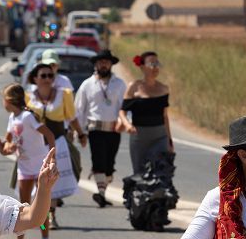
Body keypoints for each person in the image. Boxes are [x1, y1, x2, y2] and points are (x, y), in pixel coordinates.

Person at [25, 63, 84, 229]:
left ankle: (51, 216)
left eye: (50, 76)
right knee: (30, 182)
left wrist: (81, 133)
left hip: (57, 143)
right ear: (35, 78)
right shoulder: (27, 97)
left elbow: (72, 118)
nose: (47, 79)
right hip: (34, 146)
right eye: (43, 76)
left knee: (54, 180)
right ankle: (34, 217)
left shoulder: (64, 95)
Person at [2, 83, 55, 239]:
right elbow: (8, 139)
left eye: (4, 99)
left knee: (42, 206)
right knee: (23, 207)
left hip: (38, 166)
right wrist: (9, 146)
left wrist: (52, 158)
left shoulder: (27, 117)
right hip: (24, 167)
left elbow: (49, 134)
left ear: (9, 100)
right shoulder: (12, 117)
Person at [74, 49, 126, 207]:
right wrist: (80, 132)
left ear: (111, 64)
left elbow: (125, 106)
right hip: (95, 129)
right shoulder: (87, 84)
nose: (104, 64)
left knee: (110, 166)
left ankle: (103, 189)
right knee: (99, 161)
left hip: (113, 129)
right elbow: (79, 109)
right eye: (101, 62)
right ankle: (101, 193)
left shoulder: (119, 84)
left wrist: (125, 122)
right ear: (96, 64)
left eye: (106, 62)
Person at [118, 51, 173, 175]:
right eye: (152, 63)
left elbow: (165, 116)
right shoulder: (134, 87)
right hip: (139, 136)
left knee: (160, 171)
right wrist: (127, 125)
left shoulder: (164, 89)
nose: (155, 67)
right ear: (142, 67)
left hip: (160, 136)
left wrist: (169, 141)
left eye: (157, 63)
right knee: (140, 173)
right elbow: (122, 111)